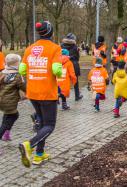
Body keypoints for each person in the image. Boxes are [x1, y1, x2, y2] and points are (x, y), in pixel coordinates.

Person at [18, 21, 63, 167]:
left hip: (32, 92)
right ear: (51, 32)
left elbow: (22, 70)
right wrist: (59, 72)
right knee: (49, 125)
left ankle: (39, 155)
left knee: (42, 124)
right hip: (47, 92)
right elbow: (56, 70)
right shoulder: (55, 48)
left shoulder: (29, 48)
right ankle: (29, 146)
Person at [0, 54, 26, 149]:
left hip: (2, 100)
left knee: (8, 116)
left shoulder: (2, 72)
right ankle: (5, 133)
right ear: (16, 64)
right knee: (12, 117)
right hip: (10, 102)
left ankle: (6, 134)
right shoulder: (17, 75)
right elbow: (23, 87)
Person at [61, 33, 83, 101]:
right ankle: (77, 96)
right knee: (75, 81)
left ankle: (60, 96)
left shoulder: (61, 46)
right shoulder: (75, 46)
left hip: (64, 65)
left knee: (61, 81)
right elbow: (77, 57)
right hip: (73, 64)